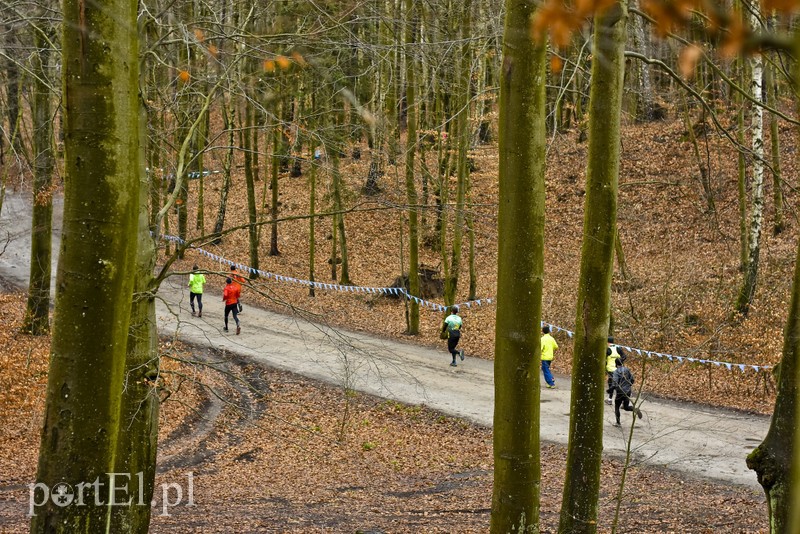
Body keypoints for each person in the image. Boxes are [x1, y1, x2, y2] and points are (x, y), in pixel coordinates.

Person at [608, 357, 642, 426]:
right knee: (626, 407)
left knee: (617, 407)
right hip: (628, 391)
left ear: (616, 364)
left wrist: (610, 389)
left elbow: (615, 383)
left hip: (620, 392)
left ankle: (618, 423)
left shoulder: (616, 372)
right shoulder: (627, 369)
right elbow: (632, 379)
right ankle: (635, 409)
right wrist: (629, 385)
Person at [605, 337, 627, 405]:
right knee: (619, 385)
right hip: (618, 370)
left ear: (608, 342)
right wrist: (620, 362)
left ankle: (610, 399)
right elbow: (624, 356)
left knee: (611, 384)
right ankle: (623, 401)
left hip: (610, 369)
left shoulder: (608, 350)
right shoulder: (618, 348)